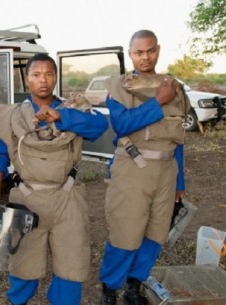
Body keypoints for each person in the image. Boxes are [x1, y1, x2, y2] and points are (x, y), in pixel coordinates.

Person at [0, 53, 109, 305]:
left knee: (71, 268)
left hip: (67, 197)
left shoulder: (71, 110)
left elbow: (99, 127)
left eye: (49, 74)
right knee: (22, 268)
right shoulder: (13, 115)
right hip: (26, 199)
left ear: (55, 78)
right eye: (36, 75)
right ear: (26, 79)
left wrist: (61, 117)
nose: (43, 80)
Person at [98, 30, 190, 305]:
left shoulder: (174, 87)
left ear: (158, 50)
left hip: (166, 170)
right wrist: (158, 101)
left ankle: (133, 286)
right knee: (125, 233)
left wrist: (180, 182)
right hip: (132, 168)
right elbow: (123, 124)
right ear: (131, 54)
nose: (145, 57)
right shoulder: (118, 87)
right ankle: (109, 289)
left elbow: (179, 138)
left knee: (155, 234)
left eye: (150, 50)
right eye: (139, 52)